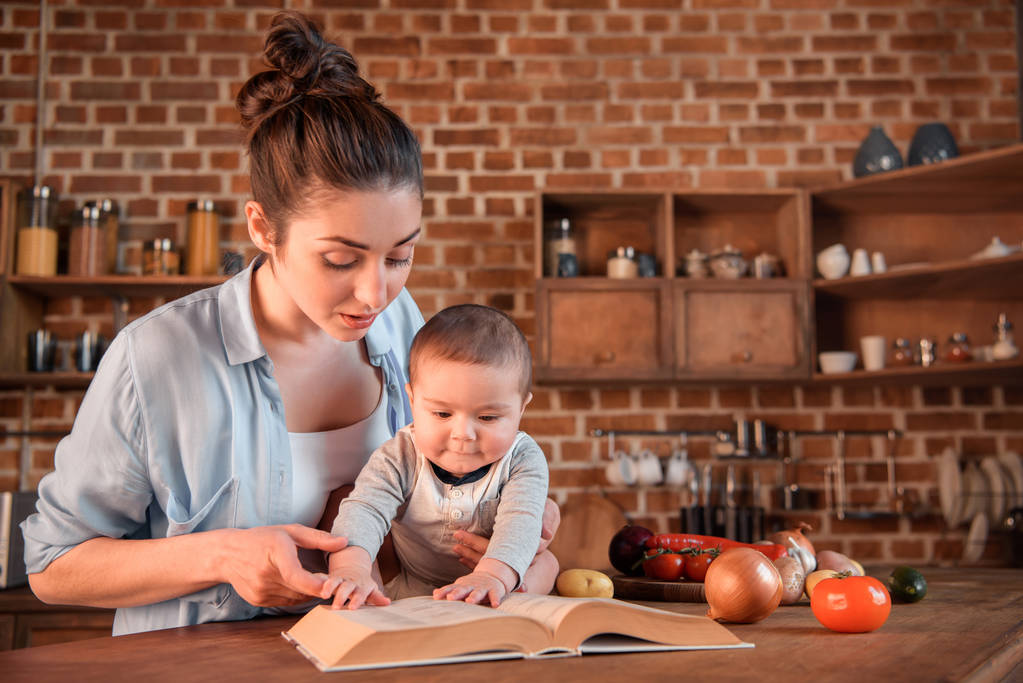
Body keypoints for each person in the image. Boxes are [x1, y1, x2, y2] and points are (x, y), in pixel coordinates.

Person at [20, 10, 558, 636]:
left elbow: (428, 487)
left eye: (400, 255)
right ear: (262, 228)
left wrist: (509, 519)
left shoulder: (403, 328)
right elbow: (52, 566)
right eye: (339, 259)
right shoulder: (157, 357)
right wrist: (220, 556)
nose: (375, 291)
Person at [324, 304, 554, 610]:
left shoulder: (522, 459)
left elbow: (521, 521)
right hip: (410, 580)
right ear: (413, 400)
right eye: (442, 413)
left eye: (487, 418)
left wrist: (492, 575)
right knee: (349, 513)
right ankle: (368, 600)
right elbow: (365, 509)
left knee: (547, 564)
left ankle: (509, 600)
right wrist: (351, 568)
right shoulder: (400, 455)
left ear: (521, 409)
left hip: (496, 577)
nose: (463, 434)